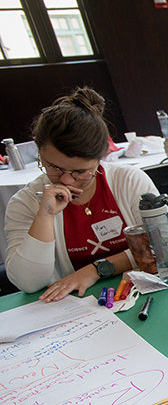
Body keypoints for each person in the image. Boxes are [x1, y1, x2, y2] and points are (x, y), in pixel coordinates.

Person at [4, 88, 158, 297]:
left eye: (80, 172)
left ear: (100, 158)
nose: (67, 180)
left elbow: (161, 245)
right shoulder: (25, 202)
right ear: (39, 152)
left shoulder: (128, 180)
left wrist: (96, 269)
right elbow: (28, 283)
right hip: (77, 306)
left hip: (142, 291)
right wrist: (45, 216)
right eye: (54, 167)